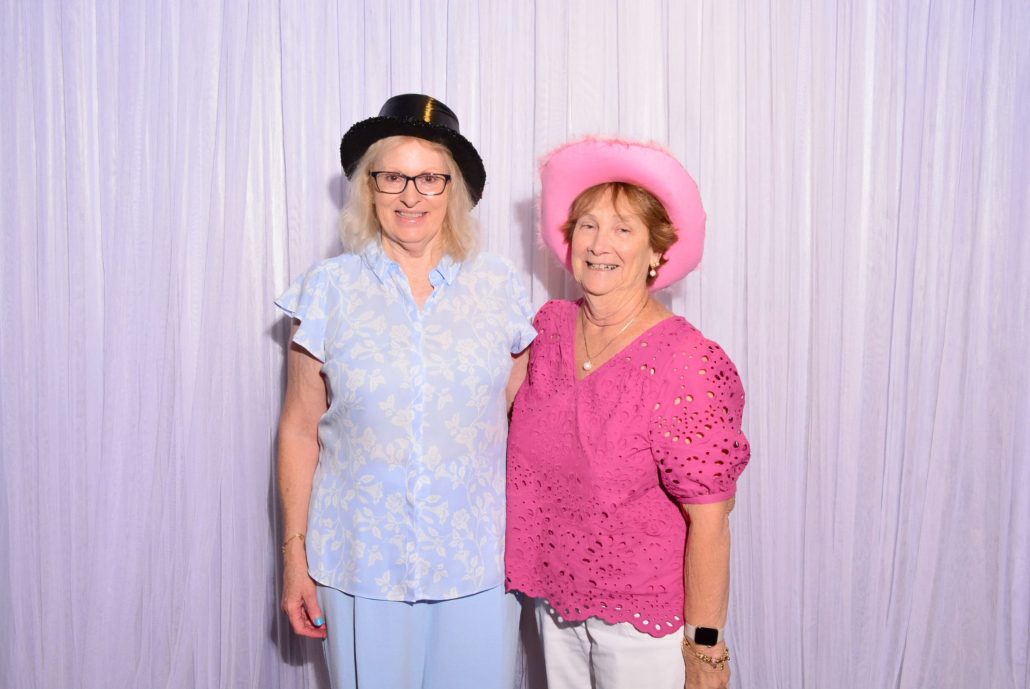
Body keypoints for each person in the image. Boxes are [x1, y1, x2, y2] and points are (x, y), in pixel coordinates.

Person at [275, 94, 536, 689]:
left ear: (453, 191)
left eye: (429, 179)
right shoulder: (327, 289)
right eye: (392, 177)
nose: (410, 195)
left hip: (476, 566)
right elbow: (298, 429)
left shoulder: (499, 286)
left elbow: (519, 421)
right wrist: (293, 556)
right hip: (359, 565)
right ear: (369, 187)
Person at [505, 138, 750, 689]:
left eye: (623, 229)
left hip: (644, 628)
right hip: (554, 606)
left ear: (657, 252)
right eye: (588, 225)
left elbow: (711, 522)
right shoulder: (547, 330)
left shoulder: (687, 363)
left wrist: (705, 650)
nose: (599, 244)